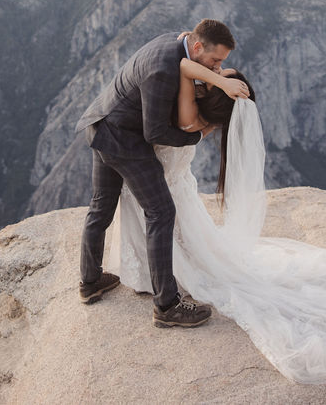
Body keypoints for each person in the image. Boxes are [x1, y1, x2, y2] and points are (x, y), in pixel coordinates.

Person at [114, 59, 326, 383]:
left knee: (159, 222)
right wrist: (222, 83)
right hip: (177, 191)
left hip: (153, 188)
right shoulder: (201, 124)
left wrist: (215, 78)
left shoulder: (184, 116)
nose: (218, 69)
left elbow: (184, 66)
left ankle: (158, 280)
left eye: (219, 74)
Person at [75, 19, 249, 328]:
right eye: (216, 60)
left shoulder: (178, 43)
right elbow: (154, 132)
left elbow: (187, 57)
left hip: (101, 125)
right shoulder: (163, 70)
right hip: (123, 141)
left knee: (101, 206)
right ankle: (167, 305)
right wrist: (199, 135)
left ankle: (89, 282)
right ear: (198, 47)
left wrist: (218, 80)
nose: (218, 67)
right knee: (161, 211)